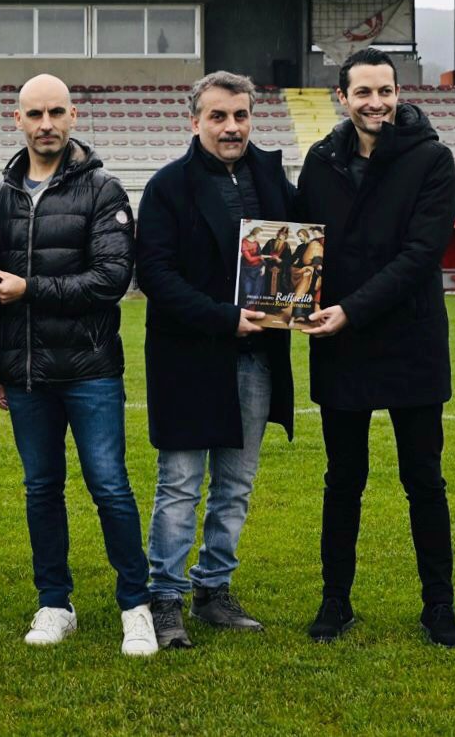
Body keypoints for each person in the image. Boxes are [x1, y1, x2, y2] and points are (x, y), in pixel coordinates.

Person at [0, 73, 157, 657]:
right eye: (35, 114)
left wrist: (27, 289)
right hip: (26, 372)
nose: (46, 124)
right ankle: (55, 602)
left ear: (73, 116)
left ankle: (136, 605)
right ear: (17, 120)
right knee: (41, 490)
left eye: (56, 112)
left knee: (110, 487)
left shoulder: (103, 189)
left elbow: (109, 280)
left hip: (89, 369)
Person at [299, 46, 455, 648]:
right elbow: (302, 242)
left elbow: (421, 256)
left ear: (398, 94)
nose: (376, 103)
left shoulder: (432, 159)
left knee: (424, 479)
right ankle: (335, 601)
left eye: (385, 91)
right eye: (364, 92)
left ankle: (438, 606)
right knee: (343, 479)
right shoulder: (320, 161)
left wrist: (351, 310)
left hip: (410, 340)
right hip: (340, 345)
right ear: (342, 97)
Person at [135, 71, 296, 649]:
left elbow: (300, 253)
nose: (232, 127)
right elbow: (155, 275)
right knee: (180, 483)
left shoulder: (272, 180)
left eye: (241, 116)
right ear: (195, 121)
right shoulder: (167, 186)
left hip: (256, 357)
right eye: (219, 116)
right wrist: (224, 317)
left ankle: (213, 589)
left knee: (236, 483)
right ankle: (165, 596)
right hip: (188, 355)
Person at [261, 226, 292, 295]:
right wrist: (269, 258)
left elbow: (288, 260)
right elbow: (263, 253)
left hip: (280, 268)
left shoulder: (287, 246)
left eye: (284, 235)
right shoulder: (270, 242)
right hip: (269, 265)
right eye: (281, 234)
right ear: (278, 233)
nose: (281, 236)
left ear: (285, 237)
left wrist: (280, 260)